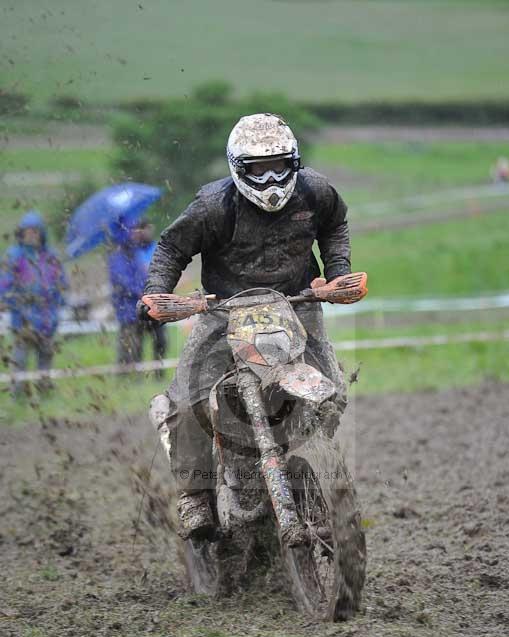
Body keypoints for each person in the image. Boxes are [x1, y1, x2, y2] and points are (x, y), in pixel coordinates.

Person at [139, 113, 351, 539]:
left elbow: (335, 226)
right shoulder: (213, 206)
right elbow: (170, 247)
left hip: (297, 304)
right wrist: (157, 293)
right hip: (224, 312)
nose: (270, 178)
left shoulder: (316, 192)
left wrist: (335, 273)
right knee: (187, 404)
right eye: (258, 169)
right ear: (238, 168)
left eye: (278, 166)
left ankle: (303, 460)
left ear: (294, 163)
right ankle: (195, 494)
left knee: (332, 393)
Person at [0, 211, 68, 395]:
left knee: (45, 359)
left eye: (35, 231)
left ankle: (45, 393)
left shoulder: (50, 256)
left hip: (47, 318)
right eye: (27, 231)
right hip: (22, 319)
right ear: (21, 234)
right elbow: (4, 283)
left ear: (41, 233)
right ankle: (17, 395)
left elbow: (62, 283)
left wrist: (60, 302)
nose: (31, 235)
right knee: (19, 360)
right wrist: (10, 300)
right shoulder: (14, 255)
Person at [107, 219, 167, 367]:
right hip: (127, 308)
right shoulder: (118, 257)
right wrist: (140, 292)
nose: (135, 234)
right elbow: (122, 281)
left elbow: (141, 276)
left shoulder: (134, 254)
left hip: (141, 306)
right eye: (131, 231)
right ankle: (127, 376)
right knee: (130, 345)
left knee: (153, 341)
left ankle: (149, 372)